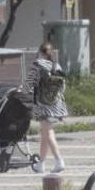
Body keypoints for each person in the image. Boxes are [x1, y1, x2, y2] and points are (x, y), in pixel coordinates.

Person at [21, 42, 67, 173]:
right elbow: (63, 86)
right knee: (45, 132)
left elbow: (28, 84)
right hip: (56, 103)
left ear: (40, 52)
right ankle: (41, 163)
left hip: (42, 103)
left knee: (47, 131)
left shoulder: (37, 65)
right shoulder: (56, 65)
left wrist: (21, 92)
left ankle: (59, 160)